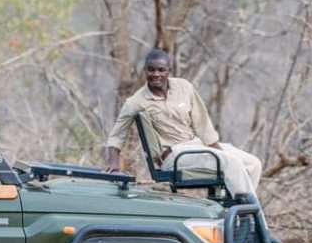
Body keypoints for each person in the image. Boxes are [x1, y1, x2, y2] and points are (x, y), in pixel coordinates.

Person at [104, 48, 262, 200]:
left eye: (161, 70)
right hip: (174, 156)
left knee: (253, 163)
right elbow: (117, 133)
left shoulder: (184, 87)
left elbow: (203, 123)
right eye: (151, 70)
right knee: (231, 163)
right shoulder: (136, 101)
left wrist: (217, 151)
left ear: (169, 71)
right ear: (145, 70)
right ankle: (253, 215)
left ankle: (240, 210)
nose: (156, 74)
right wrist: (113, 162)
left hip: (196, 146)